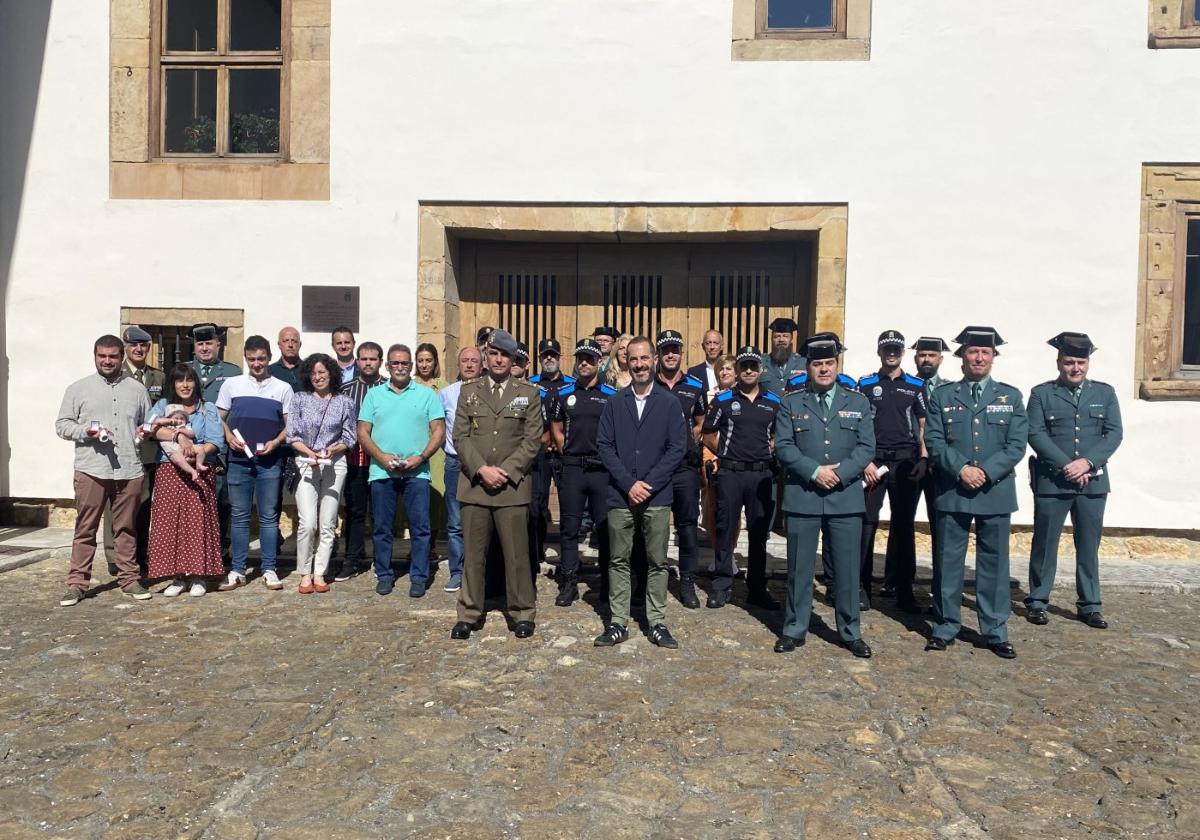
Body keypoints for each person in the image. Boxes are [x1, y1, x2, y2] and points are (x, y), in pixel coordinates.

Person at [923, 326, 1028, 659]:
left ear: (993, 358)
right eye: (972, 352)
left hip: (994, 490)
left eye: (985, 352)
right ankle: (945, 626)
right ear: (962, 357)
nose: (979, 357)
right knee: (948, 561)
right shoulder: (942, 396)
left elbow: (1016, 445)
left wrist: (986, 472)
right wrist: (962, 469)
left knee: (994, 564)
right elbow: (935, 441)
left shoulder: (1010, 397)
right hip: (953, 488)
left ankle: (995, 629)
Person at [773, 334, 875, 657]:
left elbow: (867, 447)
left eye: (829, 363)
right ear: (808, 367)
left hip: (844, 496)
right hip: (804, 493)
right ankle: (794, 628)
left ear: (836, 365)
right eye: (817, 364)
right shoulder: (791, 403)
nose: (824, 369)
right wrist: (816, 471)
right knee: (799, 569)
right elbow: (784, 447)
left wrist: (840, 473)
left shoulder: (857, 402)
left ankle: (849, 631)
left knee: (846, 570)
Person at [449, 329, 543, 640]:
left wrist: (505, 471)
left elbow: (532, 442)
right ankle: (469, 613)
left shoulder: (528, 393)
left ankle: (521, 612)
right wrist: (481, 469)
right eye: (494, 353)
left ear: (514, 358)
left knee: (516, 555)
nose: (499, 359)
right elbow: (460, 437)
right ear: (486, 357)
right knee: (474, 555)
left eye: (505, 354)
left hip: (512, 487)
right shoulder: (469, 391)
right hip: (475, 486)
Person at [1025, 332, 1123, 629]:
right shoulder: (1042, 394)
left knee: (1089, 545)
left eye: (1081, 362)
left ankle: (1090, 604)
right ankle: (1038, 601)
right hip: (1053, 483)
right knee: (1045, 543)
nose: (1075, 368)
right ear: (1059, 363)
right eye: (1069, 362)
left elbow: (1114, 433)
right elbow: (1035, 433)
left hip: (1092, 483)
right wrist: (1067, 465)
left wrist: (1087, 463)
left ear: (1088, 363)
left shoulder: (1104, 394)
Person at [594, 336, 687, 648]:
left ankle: (656, 621)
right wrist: (628, 483)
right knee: (618, 561)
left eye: (644, 358)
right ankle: (618, 622)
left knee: (657, 561)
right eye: (633, 359)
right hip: (621, 496)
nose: (639, 364)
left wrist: (648, 483)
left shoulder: (669, 403)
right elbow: (604, 446)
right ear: (626, 362)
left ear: (655, 359)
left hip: (657, 497)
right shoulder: (614, 403)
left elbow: (677, 448)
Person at [55, 335, 153, 606]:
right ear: (95, 356)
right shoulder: (78, 389)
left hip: (129, 470)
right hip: (91, 469)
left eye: (112, 356)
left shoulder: (136, 389)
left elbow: (147, 424)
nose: (107, 361)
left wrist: (145, 432)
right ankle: (77, 583)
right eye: (102, 356)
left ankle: (129, 579)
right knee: (85, 528)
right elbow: (62, 425)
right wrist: (84, 432)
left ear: (122, 357)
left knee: (126, 528)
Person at [357, 344, 446, 597]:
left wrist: (421, 457)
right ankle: (384, 574)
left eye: (404, 363)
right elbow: (362, 431)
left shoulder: (426, 395)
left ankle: (419, 576)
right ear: (388, 366)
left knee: (421, 528)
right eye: (395, 363)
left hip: (416, 472)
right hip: (382, 471)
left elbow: (439, 430)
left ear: (411, 366)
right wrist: (381, 456)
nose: (399, 368)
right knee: (383, 528)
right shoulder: (374, 395)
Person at [702, 346, 782, 610]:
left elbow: (780, 435)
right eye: (744, 366)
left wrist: (768, 449)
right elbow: (708, 432)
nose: (748, 370)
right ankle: (722, 585)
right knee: (725, 528)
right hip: (731, 473)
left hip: (761, 475)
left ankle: (757, 589)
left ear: (761, 370)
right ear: (737, 370)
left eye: (753, 366)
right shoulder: (724, 400)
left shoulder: (773, 402)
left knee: (759, 533)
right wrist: (726, 452)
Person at [856, 330, 928, 613]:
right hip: (874, 465)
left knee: (903, 526)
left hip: (906, 464)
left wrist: (923, 459)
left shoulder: (916, 385)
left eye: (896, 349)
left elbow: (924, 424)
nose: (892, 353)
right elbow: (858, 426)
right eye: (887, 348)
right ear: (879, 351)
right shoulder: (865, 384)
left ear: (902, 352)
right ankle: (862, 587)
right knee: (867, 524)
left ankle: (903, 589)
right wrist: (864, 462)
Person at [215, 335, 293, 592]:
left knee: (269, 517)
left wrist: (277, 441)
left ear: (269, 357)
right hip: (238, 461)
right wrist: (227, 436)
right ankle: (237, 570)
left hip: (270, 461)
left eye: (261, 359)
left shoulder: (282, 388)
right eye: (252, 359)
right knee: (240, 516)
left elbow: (290, 425)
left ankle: (269, 568)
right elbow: (218, 418)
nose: (257, 364)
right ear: (246, 359)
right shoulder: (231, 385)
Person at [147, 364, 226, 597]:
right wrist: (179, 437)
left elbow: (216, 440)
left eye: (189, 380)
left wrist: (201, 448)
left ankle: (199, 575)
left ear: (195, 383)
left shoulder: (207, 408)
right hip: (169, 469)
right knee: (170, 524)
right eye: (179, 380)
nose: (184, 385)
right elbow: (151, 429)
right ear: (172, 384)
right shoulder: (163, 406)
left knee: (197, 522)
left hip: (199, 469)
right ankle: (178, 577)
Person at [548, 338, 616, 607]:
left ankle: (608, 583)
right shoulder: (564, 392)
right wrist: (568, 451)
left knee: (606, 527)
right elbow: (555, 428)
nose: (584, 363)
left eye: (590, 358)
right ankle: (568, 581)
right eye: (580, 359)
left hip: (602, 470)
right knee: (569, 528)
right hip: (573, 467)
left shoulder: (612, 395)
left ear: (600, 362)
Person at [287, 353, 357, 594]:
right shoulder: (299, 399)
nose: (318, 377)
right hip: (306, 461)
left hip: (334, 464)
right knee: (307, 522)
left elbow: (350, 437)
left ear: (331, 374)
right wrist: (311, 452)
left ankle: (320, 573)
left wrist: (331, 450)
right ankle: (304, 572)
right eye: (314, 373)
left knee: (327, 523)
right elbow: (292, 434)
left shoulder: (344, 402)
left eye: (322, 373)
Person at [654, 329, 708, 609]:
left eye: (675, 349)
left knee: (687, 527)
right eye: (665, 350)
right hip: (656, 468)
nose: (671, 354)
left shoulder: (695, 385)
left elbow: (700, 422)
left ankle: (687, 582)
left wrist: (686, 444)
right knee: (654, 528)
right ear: (658, 355)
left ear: (681, 353)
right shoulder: (648, 384)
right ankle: (654, 582)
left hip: (685, 469)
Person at [189, 322, 241, 561]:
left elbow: (237, 410)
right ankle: (195, 549)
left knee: (224, 500)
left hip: (221, 448)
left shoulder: (232, 372)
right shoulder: (184, 371)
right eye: (200, 344)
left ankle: (221, 548)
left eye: (209, 343)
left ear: (218, 344)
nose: (205, 348)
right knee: (194, 500)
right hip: (190, 448)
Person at [335, 341, 385, 581]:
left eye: (372, 359)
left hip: (381, 461)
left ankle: (381, 560)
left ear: (380, 362)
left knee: (380, 513)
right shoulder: (345, 389)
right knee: (355, 512)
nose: (368, 363)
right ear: (357, 361)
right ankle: (352, 560)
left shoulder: (388, 387)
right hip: (354, 459)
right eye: (363, 359)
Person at [119, 325, 165, 575]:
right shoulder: (118, 374)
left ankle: (140, 556)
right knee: (118, 506)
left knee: (145, 505)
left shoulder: (158, 377)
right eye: (134, 345)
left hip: (148, 452)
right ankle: (116, 558)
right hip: (122, 450)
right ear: (125, 347)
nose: (138, 349)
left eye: (143, 345)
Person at [438, 346, 484, 593]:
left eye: (473, 361)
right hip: (455, 462)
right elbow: (437, 428)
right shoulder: (446, 394)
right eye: (464, 360)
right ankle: (457, 571)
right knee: (455, 521)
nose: (468, 365)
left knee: (481, 519)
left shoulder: (489, 391)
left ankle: (480, 570)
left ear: (481, 364)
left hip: (483, 464)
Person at [528, 339, 575, 581]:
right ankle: (535, 553)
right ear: (539, 357)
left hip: (565, 454)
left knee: (569, 505)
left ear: (559, 356)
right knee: (536, 505)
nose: (549, 358)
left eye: (552, 354)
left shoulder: (572, 384)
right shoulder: (531, 385)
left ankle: (568, 555)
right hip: (540, 454)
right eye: (545, 355)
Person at [911, 336, 952, 576]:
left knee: (940, 524)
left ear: (940, 359)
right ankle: (896, 579)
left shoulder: (949, 390)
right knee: (902, 522)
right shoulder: (905, 385)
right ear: (916, 358)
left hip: (940, 465)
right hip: (911, 462)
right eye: (922, 355)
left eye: (931, 355)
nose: (927, 359)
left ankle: (941, 579)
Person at [414, 343, 450, 560]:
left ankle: (431, 545)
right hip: (413, 445)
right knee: (415, 497)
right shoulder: (410, 385)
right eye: (421, 360)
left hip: (436, 450)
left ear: (435, 362)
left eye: (429, 360)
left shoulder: (444, 387)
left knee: (435, 497)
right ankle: (417, 545)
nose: (425, 364)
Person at [702, 354, 738, 550]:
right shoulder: (708, 395)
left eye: (728, 369)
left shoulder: (742, 395)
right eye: (721, 369)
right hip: (711, 452)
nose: (724, 372)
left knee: (732, 504)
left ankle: (730, 549)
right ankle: (716, 546)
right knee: (713, 503)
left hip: (735, 454)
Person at [150, 405, 209, 478]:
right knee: (178, 459)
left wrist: (181, 430)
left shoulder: (185, 426)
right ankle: (192, 471)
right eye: (176, 418)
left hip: (188, 447)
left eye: (182, 418)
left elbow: (192, 434)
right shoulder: (165, 425)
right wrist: (168, 421)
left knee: (200, 449)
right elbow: (155, 422)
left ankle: (199, 464)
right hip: (174, 451)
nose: (179, 420)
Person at [759, 317, 807, 397]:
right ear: (771, 339)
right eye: (777, 336)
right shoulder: (761, 363)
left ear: (791, 338)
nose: (781, 339)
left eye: (785, 336)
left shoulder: (803, 363)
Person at [268, 326, 303, 392]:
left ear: (300, 344)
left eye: (294, 341)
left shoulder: (309, 370)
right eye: (286, 341)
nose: (290, 345)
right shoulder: (269, 372)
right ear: (279, 345)